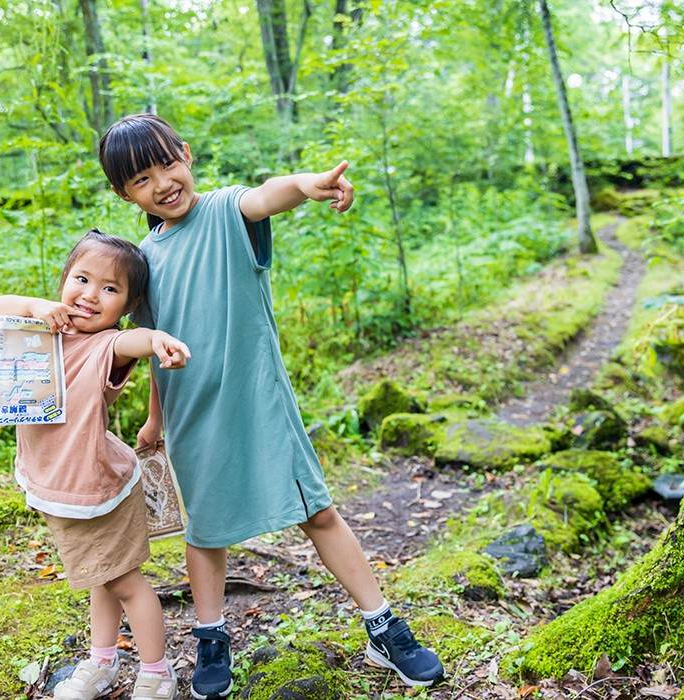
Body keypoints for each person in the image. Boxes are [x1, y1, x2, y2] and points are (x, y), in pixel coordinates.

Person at [97, 114, 445, 699]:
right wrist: (156, 417)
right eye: (140, 180)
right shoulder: (142, 263)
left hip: (260, 400)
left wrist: (306, 184)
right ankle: (212, 636)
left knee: (318, 512)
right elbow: (152, 344)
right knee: (206, 531)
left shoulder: (225, 212)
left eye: (167, 164)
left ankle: (382, 626)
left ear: (187, 154)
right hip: (190, 415)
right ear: (123, 193)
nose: (161, 184)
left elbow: (266, 196)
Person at [0, 230, 191, 700]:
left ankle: (157, 673)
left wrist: (157, 339)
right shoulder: (40, 332)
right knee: (103, 577)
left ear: (126, 305)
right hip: (58, 481)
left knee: (123, 580)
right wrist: (37, 308)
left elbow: (132, 343)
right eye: (81, 279)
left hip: (95, 487)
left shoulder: (105, 347)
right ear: (64, 280)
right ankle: (102, 661)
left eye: (110, 289)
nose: (91, 295)